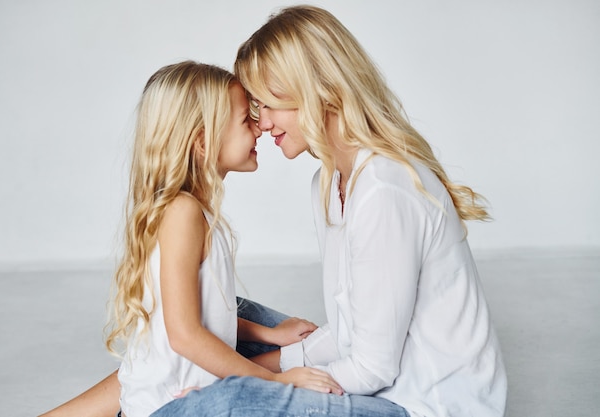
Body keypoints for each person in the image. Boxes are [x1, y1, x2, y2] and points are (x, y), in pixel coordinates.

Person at [151, 5, 507, 417]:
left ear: (317, 91)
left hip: (420, 405)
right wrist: (254, 369)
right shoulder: (328, 182)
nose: (262, 124)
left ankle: (164, 406)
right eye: (255, 109)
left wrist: (243, 381)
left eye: (269, 104)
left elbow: (372, 368)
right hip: (380, 382)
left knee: (229, 395)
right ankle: (152, 398)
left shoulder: (384, 191)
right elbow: (345, 335)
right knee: (218, 321)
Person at [38, 60, 343, 417]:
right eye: (246, 120)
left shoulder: (191, 210)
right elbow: (184, 333)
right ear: (202, 140)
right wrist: (270, 381)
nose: (259, 129)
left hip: (176, 394)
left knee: (246, 309)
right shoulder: (183, 213)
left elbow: (203, 315)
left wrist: (269, 335)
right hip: (166, 406)